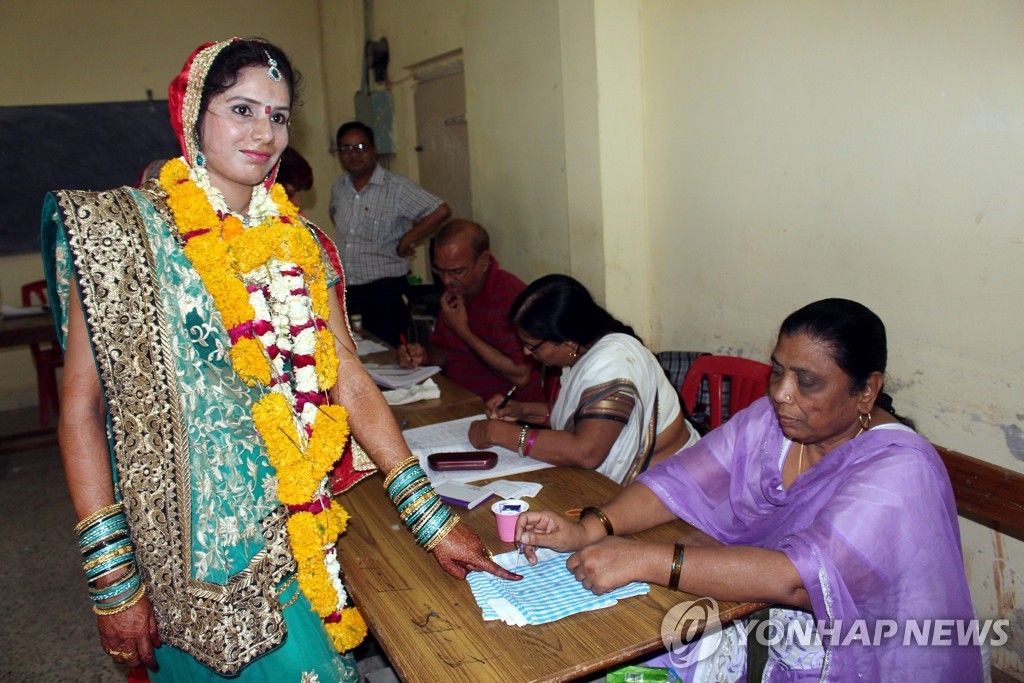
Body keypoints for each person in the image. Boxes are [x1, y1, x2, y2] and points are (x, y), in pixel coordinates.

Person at [41, 38, 515, 682]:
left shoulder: (306, 246)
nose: (264, 133)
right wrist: (111, 580)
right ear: (192, 117)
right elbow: (81, 407)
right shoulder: (118, 234)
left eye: (279, 115)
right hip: (185, 556)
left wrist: (430, 519)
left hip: (296, 533)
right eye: (242, 109)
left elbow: (350, 378)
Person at [514, 298, 983, 681]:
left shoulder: (899, 468)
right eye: (778, 371)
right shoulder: (773, 422)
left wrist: (643, 559)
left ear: (866, 390)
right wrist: (590, 528)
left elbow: (802, 580)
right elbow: (677, 481)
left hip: (851, 650)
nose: (782, 392)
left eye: (808, 381)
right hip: (753, 609)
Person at [468, 274, 697, 485]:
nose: (527, 353)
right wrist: (521, 411)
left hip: (672, 486)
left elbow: (586, 452)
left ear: (567, 343)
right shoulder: (585, 348)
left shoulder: (613, 363)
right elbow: (580, 414)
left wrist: (498, 433)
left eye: (532, 345)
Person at [329, 121, 451, 345]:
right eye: (346, 149)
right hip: (348, 290)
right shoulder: (339, 187)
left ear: (374, 150)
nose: (353, 154)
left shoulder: (397, 188)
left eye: (361, 147)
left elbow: (440, 210)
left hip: (385, 292)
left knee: (389, 355)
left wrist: (408, 238)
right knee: (355, 352)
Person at [396, 220, 543, 402]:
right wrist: (424, 355)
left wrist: (463, 331)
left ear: (483, 261)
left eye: (457, 271)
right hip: (456, 400)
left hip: (506, 413)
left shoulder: (508, 297)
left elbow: (521, 376)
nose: (447, 281)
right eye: (439, 270)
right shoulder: (457, 290)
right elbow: (446, 352)